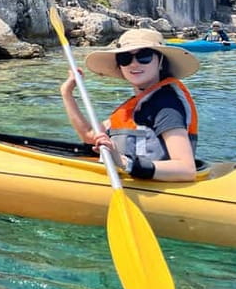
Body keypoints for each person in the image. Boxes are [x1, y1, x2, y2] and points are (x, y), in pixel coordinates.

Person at [60, 28, 200, 182]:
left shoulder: (166, 104)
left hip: (155, 188)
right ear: (120, 66)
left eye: (144, 56)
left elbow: (186, 169)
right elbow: (89, 136)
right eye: (125, 58)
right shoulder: (136, 103)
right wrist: (67, 94)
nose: (134, 64)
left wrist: (125, 163)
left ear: (160, 61)